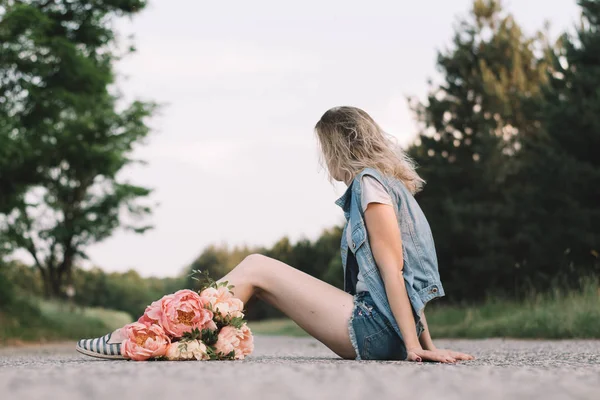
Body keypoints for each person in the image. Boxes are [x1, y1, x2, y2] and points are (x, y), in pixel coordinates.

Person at [76, 106, 474, 362]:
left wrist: (414, 350)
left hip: (375, 329)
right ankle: (171, 338)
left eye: (324, 150)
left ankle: (143, 336)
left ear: (339, 147)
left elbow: (393, 271)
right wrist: (426, 346)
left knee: (255, 267)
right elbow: (410, 278)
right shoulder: (392, 187)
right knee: (256, 277)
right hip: (388, 330)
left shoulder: (370, 185)